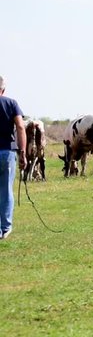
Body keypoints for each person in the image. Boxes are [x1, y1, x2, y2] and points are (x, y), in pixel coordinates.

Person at [0, 75, 26, 239]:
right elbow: (20, 127)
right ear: (3, 88)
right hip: (7, 152)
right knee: (6, 190)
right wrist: (22, 152)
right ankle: (6, 227)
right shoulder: (11, 103)